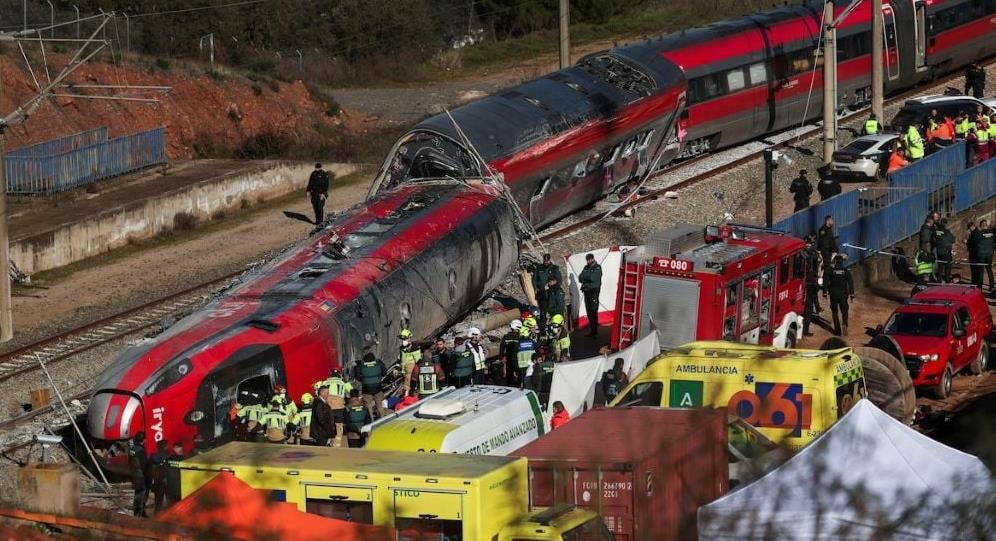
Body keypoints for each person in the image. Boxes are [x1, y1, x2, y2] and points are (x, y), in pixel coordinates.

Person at [823, 255, 854, 336]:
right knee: (844, 311)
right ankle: (844, 324)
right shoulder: (846, 271)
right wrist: (852, 294)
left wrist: (824, 292)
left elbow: (825, 281)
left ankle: (837, 330)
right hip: (843, 294)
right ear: (842, 262)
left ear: (835, 261)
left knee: (835, 312)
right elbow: (851, 283)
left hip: (833, 294)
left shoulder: (831, 270)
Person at [355, 352, 387, 419]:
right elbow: (384, 373)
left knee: (368, 406)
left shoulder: (361, 365)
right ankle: (382, 419)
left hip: (366, 389)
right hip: (377, 388)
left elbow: (357, 377)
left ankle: (371, 421)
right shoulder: (378, 363)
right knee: (379, 404)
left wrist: (363, 380)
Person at [802, 236, 823, 337]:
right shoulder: (813, 253)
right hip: (810, 282)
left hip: (803, 282)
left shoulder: (801, 251)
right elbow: (818, 261)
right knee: (809, 308)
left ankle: (818, 308)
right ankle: (805, 330)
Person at [578, 254, 603, 336]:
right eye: (587, 260)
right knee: (589, 311)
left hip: (594, 291)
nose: (588, 261)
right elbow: (580, 278)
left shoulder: (597, 267)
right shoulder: (586, 267)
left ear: (593, 259)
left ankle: (595, 331)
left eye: (589, 259)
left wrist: (585, 277)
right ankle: (592, 330)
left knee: (593, 311)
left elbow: (593, 278)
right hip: (586, 291)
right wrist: (586, 277)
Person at [129, 432, 149, 517]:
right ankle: (138, 513)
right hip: (140, 475)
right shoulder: (141, 451)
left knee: (137, 492)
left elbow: (129, 461)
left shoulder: (132, 449)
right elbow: (144, 464)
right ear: (143, 440)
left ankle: (138, 512)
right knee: (141, 493)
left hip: (134, 474)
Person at [397, 328, 422, 396]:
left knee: (409, 385)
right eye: (402, 339)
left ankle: (409, 397)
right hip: (405, 371)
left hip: (411, 371)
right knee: (406, 384)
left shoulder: (414, 348)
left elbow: (418, 361)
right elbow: (402, 359)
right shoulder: (402, 348)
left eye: (404, 339)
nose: (403, 341)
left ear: (409, 338)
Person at [497, 320, 521, 386]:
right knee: (518, 377)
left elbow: (502, 348)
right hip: (518, 359)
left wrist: (501, 357)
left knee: (509, 378)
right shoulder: (520, 337)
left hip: (509, 359)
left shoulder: (506, 336)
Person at [148, 441, 169, 515]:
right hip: (165, 480)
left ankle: (156, 515)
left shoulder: (153, 456)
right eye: (167, 446)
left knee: (158, 500)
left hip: (156, 481)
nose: (168, 447)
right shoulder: (167, 456)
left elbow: (150, 469)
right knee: (169, 501)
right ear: (164, 447)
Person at [515, 324, 536, 389]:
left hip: (521, 368)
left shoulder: (518, 344)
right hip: (531, 367)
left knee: (522, 386)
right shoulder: (532, 343)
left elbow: (514, 358)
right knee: (530, 384)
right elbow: (537, 354)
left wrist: (515, 369)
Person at [165, 443, 184, 508]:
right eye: (177, 447)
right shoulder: (185, 459)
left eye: (180, 447)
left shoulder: (169, 459)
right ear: (174, 449)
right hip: (179, 487)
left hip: (172, 487)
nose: (179, 449)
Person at [978, 219, 995, 291]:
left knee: (981, 271)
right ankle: (991, 286)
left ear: (981, 226)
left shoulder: (979, 233)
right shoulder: (992, 233)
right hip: (989, 254)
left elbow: (976, 244)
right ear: (986, 225)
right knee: (989, 270)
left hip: (981, 254)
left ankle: (980, 288)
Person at [968, 222, 983, 288]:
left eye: (969, 228)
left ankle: (977, 285)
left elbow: (974, 245)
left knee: (977, 271)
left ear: (972, 226)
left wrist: (968, 243)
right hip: (975, 254)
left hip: (975, 254)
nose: (969, 229)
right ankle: (975, 284)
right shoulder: (975, 233)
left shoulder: (975, 234)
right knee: (976, 271)